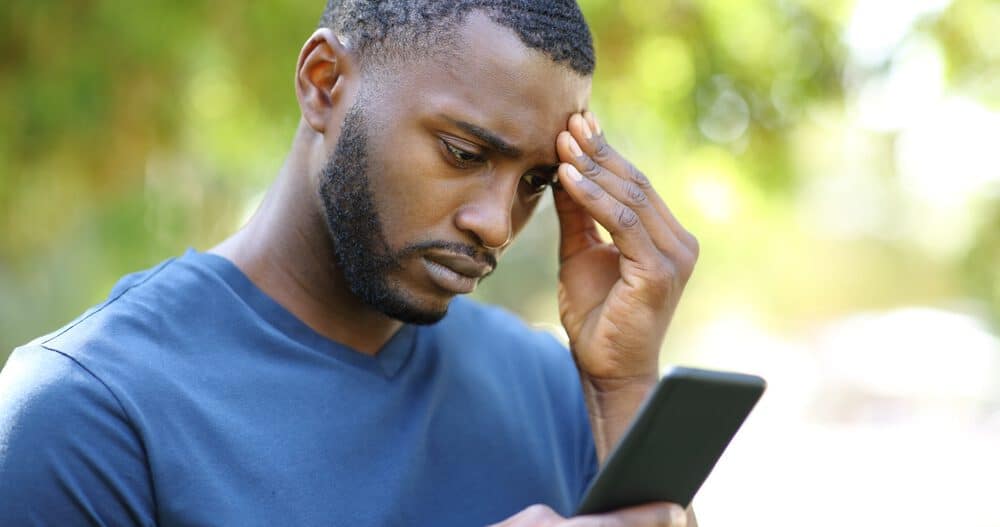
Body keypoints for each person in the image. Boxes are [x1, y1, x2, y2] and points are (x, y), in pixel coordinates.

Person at [0, 1, 699, 525]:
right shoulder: (89, 412)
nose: (496, 223)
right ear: (324, 82)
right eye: (463, 153)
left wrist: (624, 389)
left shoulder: (553, 389)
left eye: (535, 182)